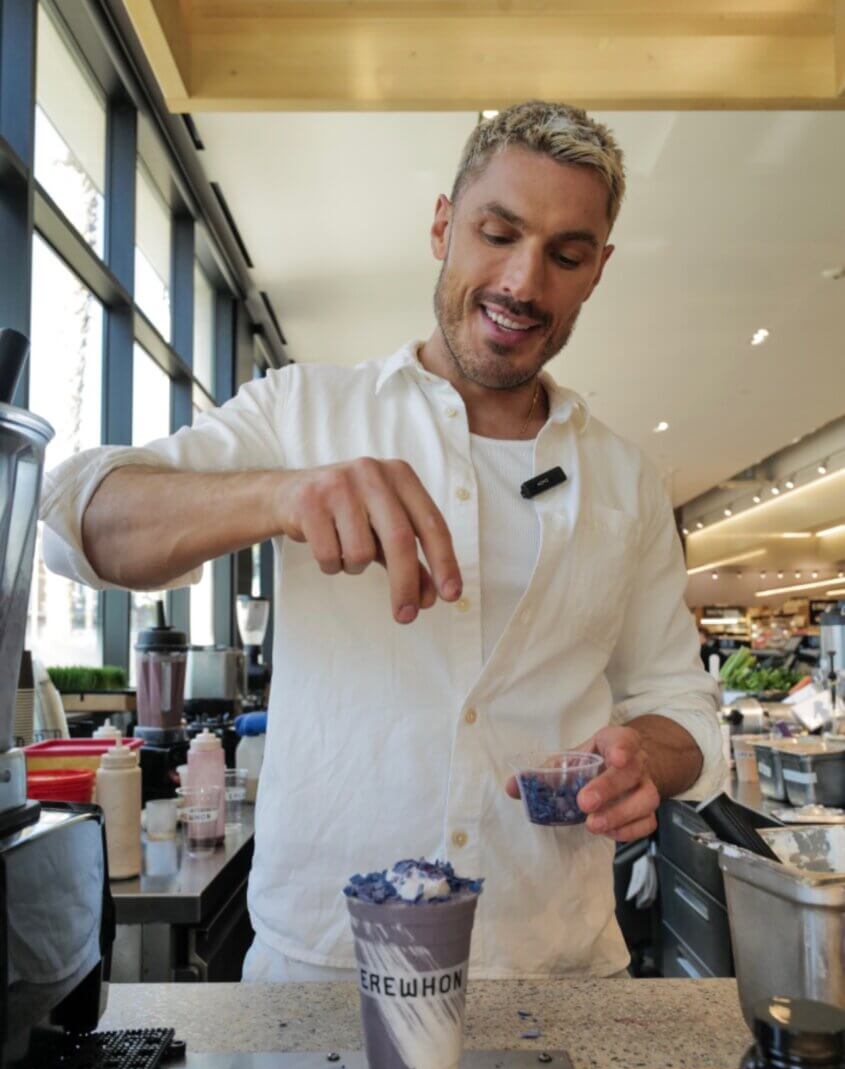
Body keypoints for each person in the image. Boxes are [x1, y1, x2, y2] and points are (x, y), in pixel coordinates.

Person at [41, 101, 724, 981]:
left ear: (597, 270)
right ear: (443, 224)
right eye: (497, 232)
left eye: (565, 253)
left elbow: (681, 702)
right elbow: (74, 522)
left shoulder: (627, 481)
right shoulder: (303, 411)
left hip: (552, 969)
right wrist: (283, 495)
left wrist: (650, 761)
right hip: (323, 969)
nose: (523, 282)